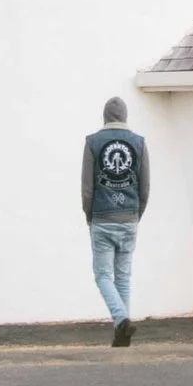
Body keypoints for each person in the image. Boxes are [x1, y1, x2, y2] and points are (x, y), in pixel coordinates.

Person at [80, 94, 150, 346]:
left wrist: (89, 215)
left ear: (105, 116)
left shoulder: (93, 142)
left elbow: (87, 186)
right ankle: (122, 336)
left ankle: (121, 320)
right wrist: (137, 214)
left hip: (102, 217)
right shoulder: (139, 143)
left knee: (102, 275)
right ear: (125, 116)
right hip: (130, 217)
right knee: (122, 276)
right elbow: (145, 185)